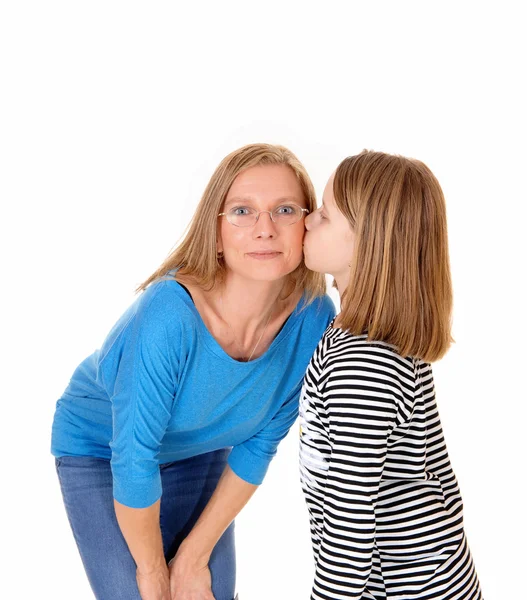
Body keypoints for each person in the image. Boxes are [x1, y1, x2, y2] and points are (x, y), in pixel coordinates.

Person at [51, 143, 335, 600]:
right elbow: (134, 457)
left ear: (307, 222)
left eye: (284, 209)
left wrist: (192, 557)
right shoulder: (169, 313)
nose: (265, 229)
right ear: (216, 228)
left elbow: (261, 443)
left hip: (200, 450)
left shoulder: (314, 318)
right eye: (243, 211)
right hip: (103, 452)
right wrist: (152, 573)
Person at [299, 150, 483, 600]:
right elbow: (435, 470)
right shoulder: (371, 335)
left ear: (367, 241)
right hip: (430, 576)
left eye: (324, 215)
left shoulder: (362, 363)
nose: (307, 221)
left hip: (406, 588)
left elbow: (350, 524)